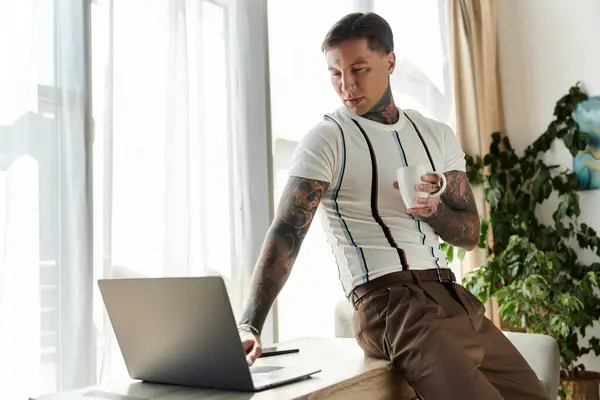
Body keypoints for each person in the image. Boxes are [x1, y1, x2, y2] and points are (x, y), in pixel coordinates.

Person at [236, 12, 548, 400]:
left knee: (537, 395)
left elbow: (470, 235)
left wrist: (434, 211)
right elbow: (286, 233)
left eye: (359, 68)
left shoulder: (437, 135)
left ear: (390, 62)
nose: (347, 85)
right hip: (391, 305)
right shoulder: (327, 139)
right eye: (335, 73)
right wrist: (249, 324)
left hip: (455, 299)